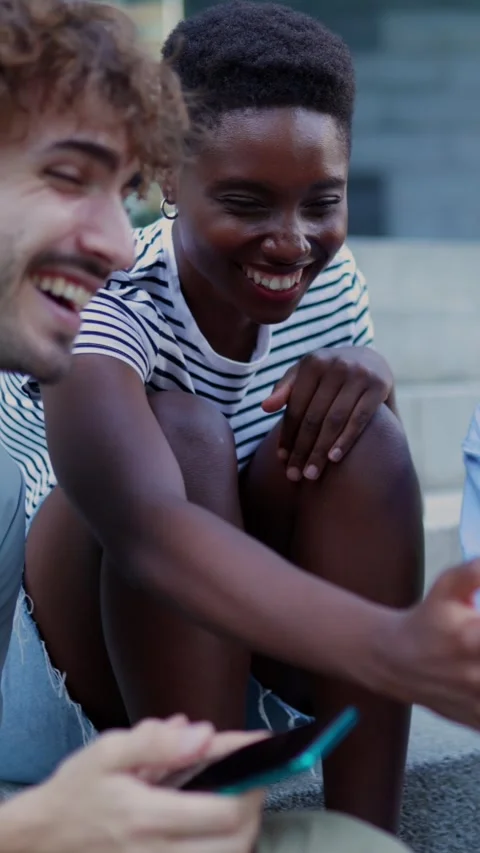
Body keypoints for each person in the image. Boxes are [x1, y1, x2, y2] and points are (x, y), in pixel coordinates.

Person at [0, 0, 479, 848]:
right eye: (249, 201)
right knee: (186, 431)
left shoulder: (327, 281)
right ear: (170, 182)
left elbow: (369, 500)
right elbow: (148, 532)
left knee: (361, 430)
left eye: (319, 202)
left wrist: (372, 378)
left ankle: (368, 834)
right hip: (76, 666)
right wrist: (394, 644)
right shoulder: (106, 304)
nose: (290, 241)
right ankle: (208, 824)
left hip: (244, 643)